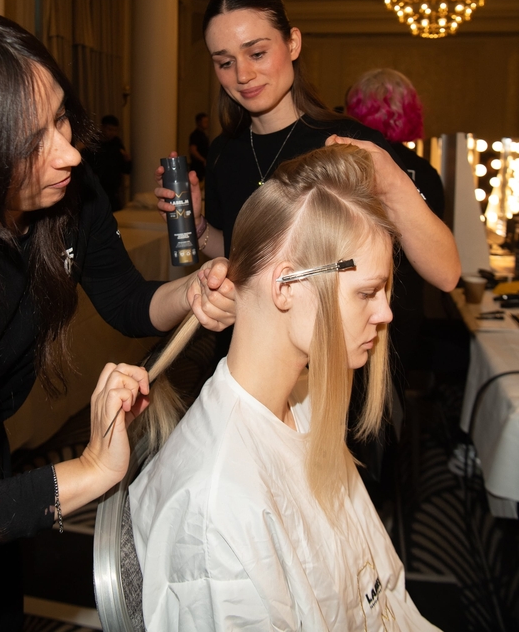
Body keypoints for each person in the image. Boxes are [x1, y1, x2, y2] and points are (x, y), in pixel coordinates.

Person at [0, 0, 234, 632]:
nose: (71, 155)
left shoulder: (66, 200)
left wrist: (192, 293)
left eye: (62, 120)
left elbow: (130, 301)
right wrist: (84, 474)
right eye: (33, 143)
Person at [131, 145, 440, 631]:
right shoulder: (220, 509)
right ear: (285, 287)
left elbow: (379, 590)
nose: (386, 313)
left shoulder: (307, 404)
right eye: (366, 292)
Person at [156, 0, 460, 347]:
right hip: (251, 354)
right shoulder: (223, 151)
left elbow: (446, 274)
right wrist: (200, 226)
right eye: (225, 62)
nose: (242, 75)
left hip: (333, 360)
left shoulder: (345, 142)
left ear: (293, 43)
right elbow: (244, 257)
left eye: (257, 53)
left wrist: (395, 183)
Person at [345, 69, 445, 371]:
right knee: (392, 398)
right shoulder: (426, 173)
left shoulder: (344, 166)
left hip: (355, 300)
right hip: (406, 306)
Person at [85, 113, 132, 210]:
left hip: (113, 192)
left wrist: (128, 161)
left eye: (115, 130)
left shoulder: (117, 143)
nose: (112, 133)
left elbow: (125, 169)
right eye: (109, 129)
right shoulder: (93, 144)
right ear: (102, 128)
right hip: (95, 190)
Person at [188, 112, 210, 181]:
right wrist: (203, 160)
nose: (207, 124)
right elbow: (193, 150)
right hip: (197, 167)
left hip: (203, 167)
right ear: (199, 122)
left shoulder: (203, 135)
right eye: (205, 122)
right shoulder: (195, 135)